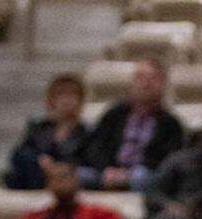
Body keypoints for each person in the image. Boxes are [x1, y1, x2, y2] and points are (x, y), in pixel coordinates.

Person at [78, 58, 185, 192]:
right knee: (78, 175)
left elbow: (168, 160)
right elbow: (96, 147)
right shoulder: (114, 114)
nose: (146, 83)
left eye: (153, 78)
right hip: (109, 172)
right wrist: (106, 169)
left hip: (143, 174)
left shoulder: (171, 124)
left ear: (163, 85)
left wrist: (127, 175)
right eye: (140, 78)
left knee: (141, 177)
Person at [4, 73, 89, 190]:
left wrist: (60, 167)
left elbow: (88, 161)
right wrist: (40, 161)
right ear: (52, 99)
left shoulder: (87, 133)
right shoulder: (39, 128)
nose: (66, 100)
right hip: (38, 177)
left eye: (72, 95)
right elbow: (20, 153)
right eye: (61, 95)